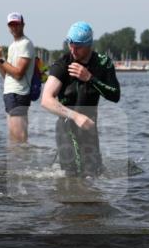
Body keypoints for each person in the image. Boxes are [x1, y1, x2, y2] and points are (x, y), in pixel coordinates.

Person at [40, 22, 120, 176]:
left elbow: (115, 96)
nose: (73, 50)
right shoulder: (63, 64)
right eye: (70, 44)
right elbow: (46, 100)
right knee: (73, 175)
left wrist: (90, 78)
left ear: (89, 44)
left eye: (78, 47)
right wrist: (75, 116)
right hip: (67, 125)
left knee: (95, 174)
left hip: (89, 127)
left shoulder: (103, 63)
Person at [0, 12, 35, 144]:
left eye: (16, 24)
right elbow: (6, 76)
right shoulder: (13, 45)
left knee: (18, 138)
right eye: (11, 25)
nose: (14, 27)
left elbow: (18, 74)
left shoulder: (25, 44)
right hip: (10, 94)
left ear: (23, 25)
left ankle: (21, 163)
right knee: (14, 137)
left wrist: (0, 58)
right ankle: (17, 163)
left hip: (19, 94)